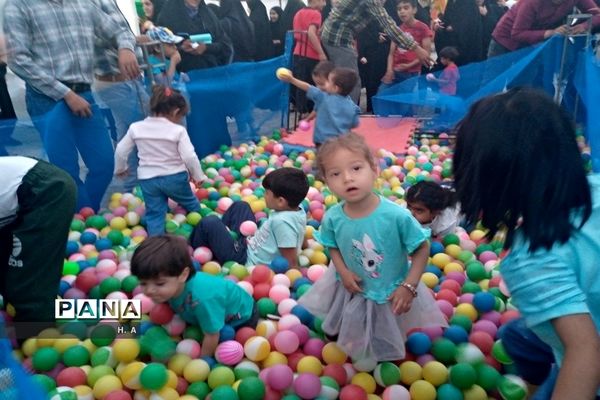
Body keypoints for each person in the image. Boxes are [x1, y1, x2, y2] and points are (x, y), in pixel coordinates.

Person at [453, 87, 600, 398]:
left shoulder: (532, 256)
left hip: (590, 354)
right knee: (516, 334)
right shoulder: (594, 187)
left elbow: (586, 350)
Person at [299, 132, 446, 362]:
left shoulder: (396, 216)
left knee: (383, 338)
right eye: (335, 174)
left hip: (388, 287)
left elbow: (421, 248)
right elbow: (332, 245)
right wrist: (343, 271)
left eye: (356, 168)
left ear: (374, 170)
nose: (347, 178)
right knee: (339, 328)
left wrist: (409, 286)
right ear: (326, 182)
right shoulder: (333, 217)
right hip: (350, 284)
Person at [4, 0, 140, 212]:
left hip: (84, 93)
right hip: (46, 98)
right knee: (66, 170)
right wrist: (65, 94)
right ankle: (83, 219)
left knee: (104, 163)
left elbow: (118, 29)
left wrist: (125, 48)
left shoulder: (82, 3)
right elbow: (18, 60)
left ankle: (84, 214)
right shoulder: (19, 5)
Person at [131, 235, 258, 357]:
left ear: (183, 275)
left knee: (226, 334)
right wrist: (116, 317)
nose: (148, 290)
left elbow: (212, 335)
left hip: (242, 317)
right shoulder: (170, 287)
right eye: (143, 283)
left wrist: (203, 362)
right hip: (201, 307)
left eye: (159, 284)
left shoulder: (202, 300)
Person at [114, 85, 206, 236]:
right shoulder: (178, 131)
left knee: (155, 214)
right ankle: (203, 228)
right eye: (181, 116)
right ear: (176, 111)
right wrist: (198, 176)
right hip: (174, 177)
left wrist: (120, 168)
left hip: (148, 180)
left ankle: (156, 245)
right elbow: (189, 156)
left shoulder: (136, 127)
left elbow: (121, 150)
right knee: (191, 204)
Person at [0, 156, 76, 328]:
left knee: (29, 283)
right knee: (9, 276)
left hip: (44, 189)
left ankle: (34, 336)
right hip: (17, 197)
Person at [190, 167, 309, 269]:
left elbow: (291, 262)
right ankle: (221, 239)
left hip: (244, 259)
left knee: (210, 222)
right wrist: (305, 247)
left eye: (267, 193)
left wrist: (294, 276)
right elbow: (300, 231)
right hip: (249, 242)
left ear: (280, 201)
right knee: (241, 206)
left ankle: (193, 249)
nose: (264, 195)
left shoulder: (282, 223)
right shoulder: (298, 209)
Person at [320, 0, 432, 103]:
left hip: (336, 36)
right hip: (337, 38)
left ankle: (338, 112)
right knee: (350, 81)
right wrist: (416, 48)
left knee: (343, 78)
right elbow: (388, 25)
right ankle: (346, 117)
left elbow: (338, 13)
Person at [93, 0, 150, 194]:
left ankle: (132, 187)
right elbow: (102, 37)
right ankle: (146, 185)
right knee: (146, 131)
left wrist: (131, 41)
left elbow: (120, 32)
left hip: (127, 79)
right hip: (114, 81)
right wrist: (127, 44)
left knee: (127, 133)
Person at [278, 67, 360, 147]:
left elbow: (308, 87)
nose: (325, 84)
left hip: (322, 141)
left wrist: (292, 79)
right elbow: (354, 124)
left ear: (335, 88)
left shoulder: (324, 97)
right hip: (341, 143)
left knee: (322, 158)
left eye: (328, 82)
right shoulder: (353, 107)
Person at [488, 0, 600, 58]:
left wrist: (584, 26)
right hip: (505, 42)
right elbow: (517, 33)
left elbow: (597, 14)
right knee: (492, 85)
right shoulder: (531, 2)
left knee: (524, 87)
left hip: (533, 45)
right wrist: (551, 32)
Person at [157, 0, 233, 71]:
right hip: (182, 76)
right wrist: (180, 48)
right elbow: (159, 49)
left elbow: (226, 46)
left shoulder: (209, 16)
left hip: (211, 73)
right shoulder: (167, 15)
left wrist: (206, 47)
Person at [381, 0, 433, 90]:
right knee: (382, 94)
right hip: (395, 71)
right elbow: (391, 53)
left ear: (414, 10)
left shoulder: (423, 28)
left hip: (411, 72)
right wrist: (389, 70)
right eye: (399, 9)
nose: (402, 11)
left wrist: (408, 66)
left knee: (404, 99)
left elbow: (426, 54)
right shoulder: (397, 29)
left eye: (406, 8)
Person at [292, 0, 328, 115]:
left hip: (298, 52)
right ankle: (314, 113)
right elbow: (311, 33)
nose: (325, 4)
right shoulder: (316, 14)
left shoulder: (298, 13)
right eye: (323, 1)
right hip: (311, 55)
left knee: (300, 85)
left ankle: (302, 114)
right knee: (314, 86)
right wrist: (321, 53)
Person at [433, 0, 483, 65]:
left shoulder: (469, 3)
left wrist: (455, 27)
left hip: (466, 43)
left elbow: (470, 22)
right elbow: (446, 18)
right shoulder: (451, 2)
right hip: (452, 40)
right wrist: (439, 24)